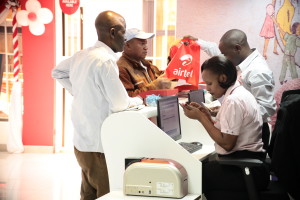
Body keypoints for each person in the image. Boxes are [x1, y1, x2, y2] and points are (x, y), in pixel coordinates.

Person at [52, 11, 142, 200]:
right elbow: (120, 104)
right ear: (112, 32)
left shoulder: (81, 55)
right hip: (101, 145)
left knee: (88, 193)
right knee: (106, 194)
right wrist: (138, 100)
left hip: (82, 143)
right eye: (123, 32)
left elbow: (58, 72)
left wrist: (78, 91)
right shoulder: (106, 60)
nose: (126, 38)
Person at [181, 55, 269, 199]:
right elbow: (227, 130)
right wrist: (207, 115)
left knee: (190, 174)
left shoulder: (233, 101)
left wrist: (201, 118)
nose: (207, 89)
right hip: (249, 166)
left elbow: (227, 143)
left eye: (209, 83)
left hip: (245, 170)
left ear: (222, 78)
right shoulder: (239, 93)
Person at [185, 29, 276, 150]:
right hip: (240, 129)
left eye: (225, 54)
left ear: (237, 48)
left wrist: (234, 113)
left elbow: (267, 107)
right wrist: (198, 42)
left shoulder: (257, 71)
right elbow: (218, 54)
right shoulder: (240, 62)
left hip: (253, 133)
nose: (224, 57)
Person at [117, 28, 172, 97]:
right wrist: (153, 87)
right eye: (142, 44)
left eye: (146, 43)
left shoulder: (147, 65)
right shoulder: (121, 69)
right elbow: (127, 98)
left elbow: (165, 76)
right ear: (127, 46)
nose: (146, 47)